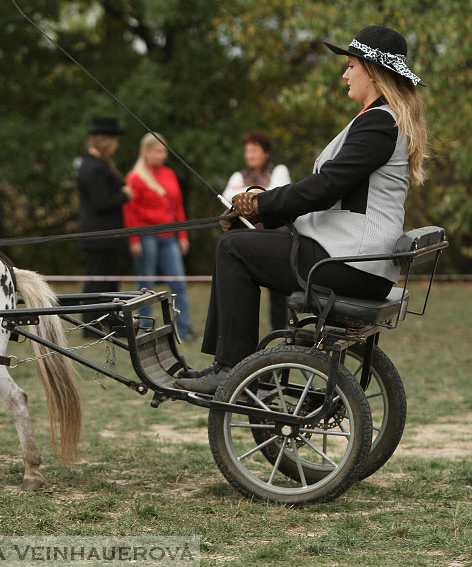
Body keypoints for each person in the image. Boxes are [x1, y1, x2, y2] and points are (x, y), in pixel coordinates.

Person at [176, 25, 428, 394]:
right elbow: (333, 194)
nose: (345, 73)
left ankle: (231, 369)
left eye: (352, 65)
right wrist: (264, 213)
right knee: (243, 242)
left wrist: (262, 203)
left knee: (232, 249)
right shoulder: (382, 120)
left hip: (348, 263)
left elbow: (325, 188)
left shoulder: (378, 122)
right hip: (356, 260)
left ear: (372, 71)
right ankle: (233, 367)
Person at [123, 133, 196, 340]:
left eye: (164, 150)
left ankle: (184, 328)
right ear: (145, 152)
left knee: (179, 282)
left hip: (169, 236)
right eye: (158, 150)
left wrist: (182, 235)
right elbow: (130, 212)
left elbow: (177, 207)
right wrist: (134, 239)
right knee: (147, 283)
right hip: (146, 236)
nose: (162, 155)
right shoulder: (135, 178)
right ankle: (145, 328)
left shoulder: (169, 174)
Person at [223, 130, 292, 331]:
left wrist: (247, 194)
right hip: (247, 237)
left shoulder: (279, 170)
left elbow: (279, 193)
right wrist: (259, 193)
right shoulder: (238, 175)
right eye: (247, 150)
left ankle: (279, 329)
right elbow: (228, 196)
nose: (250, 155)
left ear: (266, 152)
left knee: (278, 290)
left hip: (274, 237)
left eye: (254, 150)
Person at [76, 116, 133, 333]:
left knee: (108, 282)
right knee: (98, 282)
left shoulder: (98, 165)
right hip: (98, 235)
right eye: (115, 140)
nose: (117, 145)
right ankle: (92, 325)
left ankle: (108, 321)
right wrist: (124, 195)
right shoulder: (94, 168)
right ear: (105, 141)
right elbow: (101, 202)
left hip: (106, 236)